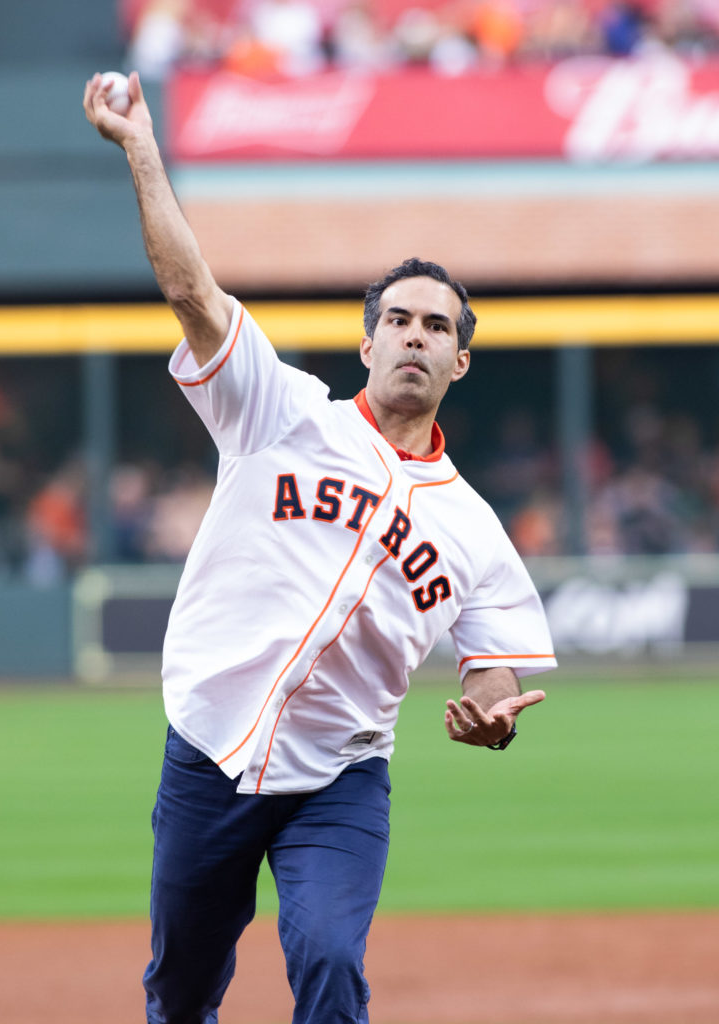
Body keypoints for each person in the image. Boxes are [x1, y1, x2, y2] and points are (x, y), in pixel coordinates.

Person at [84, 70, 557, 1024]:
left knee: (331, 962)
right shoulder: (279, 411)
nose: (415, 338)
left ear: (459, 360)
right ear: (368, 344)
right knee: (179, 990)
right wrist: (141, 145)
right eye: (398, 321)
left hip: (339, 778)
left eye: (437, 327)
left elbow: (496, 669)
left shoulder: (473, 528)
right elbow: (188, 286)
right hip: (210, 747)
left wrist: (491, 714)